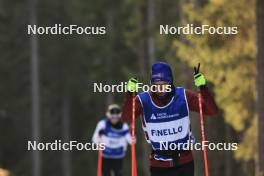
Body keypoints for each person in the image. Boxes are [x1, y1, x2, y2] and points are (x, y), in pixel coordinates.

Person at [122, 62, 218, 176]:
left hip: (184, 163)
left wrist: (203, 88)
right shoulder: (144, 100)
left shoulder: (183, 96)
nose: (161, 89)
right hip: (159, 166)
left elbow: (212, 111)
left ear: (171, 82)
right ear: (151, 84)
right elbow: (127, 117)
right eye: (157, 85)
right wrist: (129, 94)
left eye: (165, 84)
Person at [92, 104, 132, 176]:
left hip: (118, 156)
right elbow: (94, 139)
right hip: (105, 155)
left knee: (118, 174)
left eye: (116, 116)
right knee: (105, 174)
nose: (114, 118)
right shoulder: (102, 124)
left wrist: (133, 136)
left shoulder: (123, 126)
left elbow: (131, 141)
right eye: (112, 116)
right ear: (108, 115)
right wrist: (98, 139)